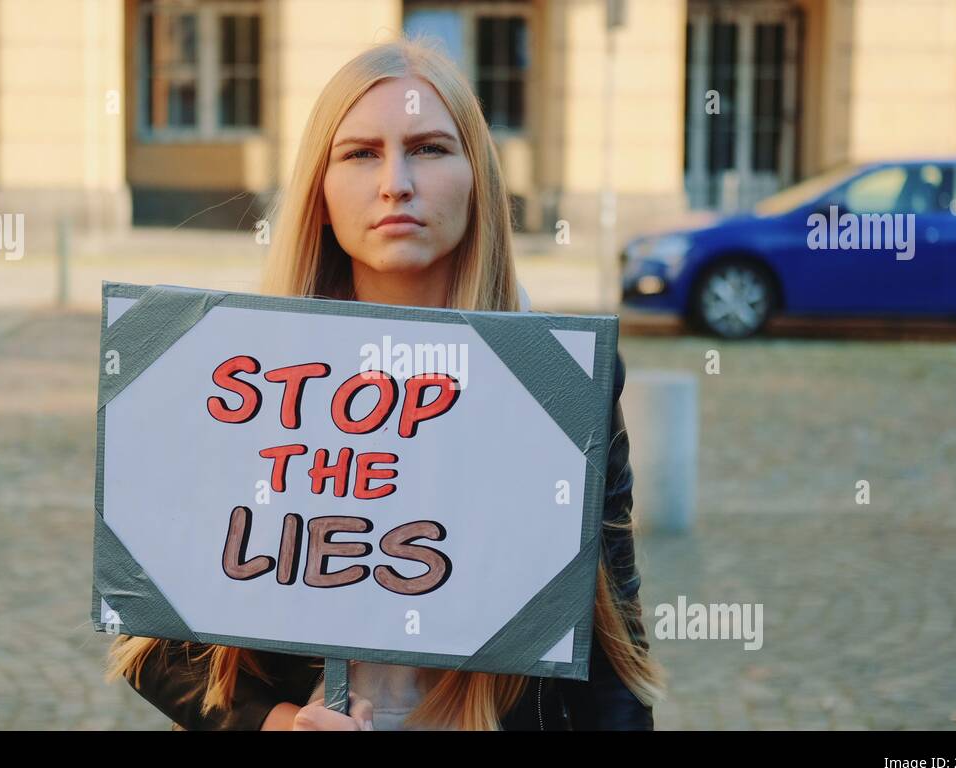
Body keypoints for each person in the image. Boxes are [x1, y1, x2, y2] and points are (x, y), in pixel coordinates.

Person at [105, 37, 664, 730]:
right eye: (361, 152)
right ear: (321, 189)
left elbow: (613, 658)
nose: (395, 181)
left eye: (429, 148)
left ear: (478, 178)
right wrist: (276, 722)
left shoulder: (561, 381)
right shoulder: (237, 375)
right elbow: (149, 643)